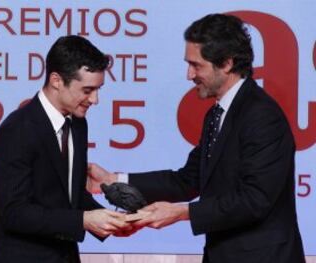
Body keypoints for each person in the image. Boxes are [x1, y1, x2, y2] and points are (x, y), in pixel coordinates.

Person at [87, 14, 306, 263]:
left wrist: (182, 213)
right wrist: (113, 180)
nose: (189, 75)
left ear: (226, 63)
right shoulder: (217, 113)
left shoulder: (262, 116)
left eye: (196, 65)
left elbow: (255, 200)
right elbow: (188, 180)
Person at [0, 35, 131, 263]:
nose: (95, 99)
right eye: (87, 90)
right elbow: (14, 212)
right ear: (56, 80)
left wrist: (111, 221)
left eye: (98, 89)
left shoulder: (78, 123)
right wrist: (84, 220)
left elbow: (70, 196)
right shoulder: (17, 131)